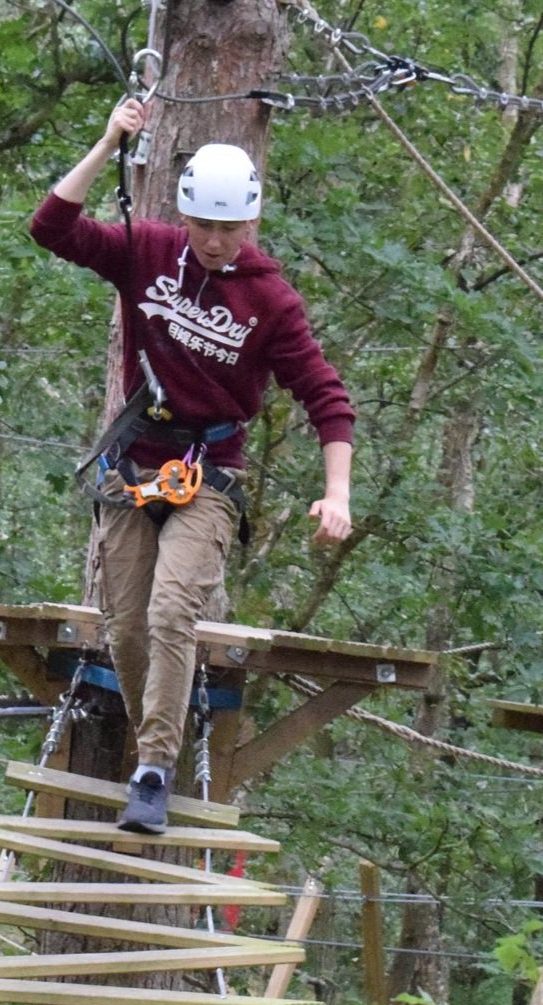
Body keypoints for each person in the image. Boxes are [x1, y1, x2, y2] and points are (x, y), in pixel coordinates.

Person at [31, 97, 356, 832]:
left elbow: (327, 399)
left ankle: (154, 764)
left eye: (228, 227)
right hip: (132, 462)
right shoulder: (144, 251)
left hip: (206, 471)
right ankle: (162, 723)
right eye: (203, 225)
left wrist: (336, 492)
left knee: (174, 608)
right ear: (185, 218)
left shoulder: (270, 301)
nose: (214, 241)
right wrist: (108, 136)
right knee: (128, 626)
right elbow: (50, 226)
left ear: (250, 222)